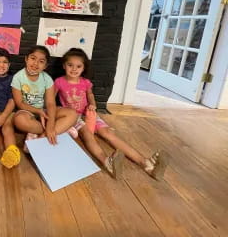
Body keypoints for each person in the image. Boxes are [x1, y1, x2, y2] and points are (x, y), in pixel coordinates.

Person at [55, 48, 170, 180]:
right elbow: (50, 100)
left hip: (89, 114)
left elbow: (90, 95)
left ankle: (146, 163)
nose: (74, 69)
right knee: (88, 135)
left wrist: (93, 104)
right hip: (74, 118)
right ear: (64, 65)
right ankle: (106, 162)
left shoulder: (85, 82)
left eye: (78, 66)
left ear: (83, 68)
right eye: (70, 65)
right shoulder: (59, 82)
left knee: (108, 134)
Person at [11, 45, 78, 148]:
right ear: (26, 59)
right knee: (19, 121)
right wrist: (38, 112)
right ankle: (61, 129)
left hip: (45, 111)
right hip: (27, 111)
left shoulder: (47, 79)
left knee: (73, 114)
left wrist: (50, 123)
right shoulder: (18, 77)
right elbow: (19, 103)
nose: (36, 63)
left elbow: (51, 103)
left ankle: (41, 138)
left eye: (41, 61)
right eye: (33, 58)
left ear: (45, 66)